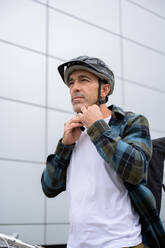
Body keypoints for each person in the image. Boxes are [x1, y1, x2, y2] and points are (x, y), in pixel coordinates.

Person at [41, 56, 153, 248]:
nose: (74, 87)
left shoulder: (132, 122)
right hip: (76, 244)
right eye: (71, 82)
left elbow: (137, 170)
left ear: (104, 89)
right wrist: (64, 146)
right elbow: (49, 188)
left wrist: (97, 127)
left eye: (83, 79)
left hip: (123, 243)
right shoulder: (74, 132)